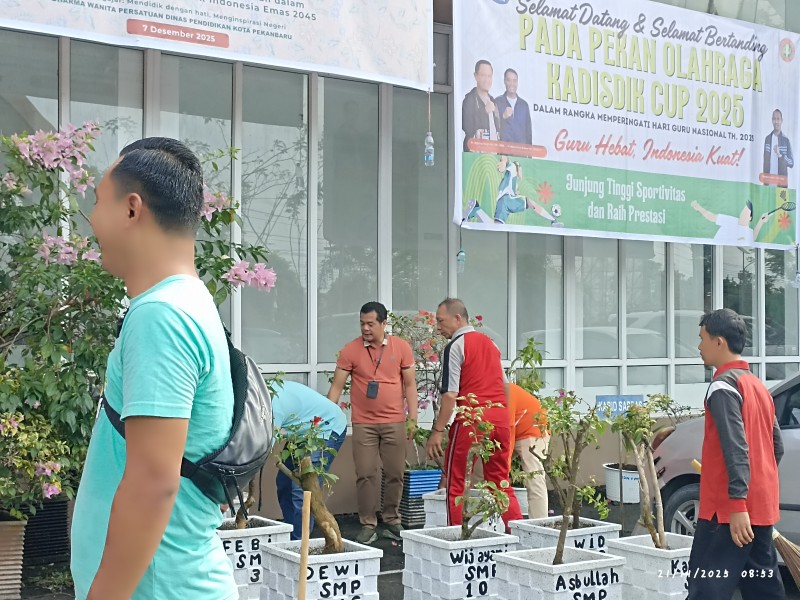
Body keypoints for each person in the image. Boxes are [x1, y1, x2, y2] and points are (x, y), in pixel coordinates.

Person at [70, 138, 237, 599]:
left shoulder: (162, 315)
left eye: (98, 203)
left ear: (131, 209)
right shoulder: (185, 302)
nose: (92, 220)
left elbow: (153, 484)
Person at [686, 308, 784, 600]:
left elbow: (735, 446)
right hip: (761, 508)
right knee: (763, 590)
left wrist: (738, 502)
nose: (699, 346)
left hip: (727, 512)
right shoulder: (757, 386)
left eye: (702, 338)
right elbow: (775, 446)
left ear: (719, 342)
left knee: (706, 588)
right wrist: (754, 491)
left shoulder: (722, 386)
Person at [426, 298, 523, 529]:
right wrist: (502, 417)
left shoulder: (456, 346)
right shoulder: (491, 344)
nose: (438, 327)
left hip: (471, 420)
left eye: (441, 321)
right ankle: (519, 534)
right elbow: (506, 386)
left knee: (456, 483)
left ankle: (457, 539)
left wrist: (437, 431)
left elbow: (450, 395)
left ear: (457, 318)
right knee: (500, 483)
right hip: (499, 419)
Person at [327, 301, 418, 544]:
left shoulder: (401, 348)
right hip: (364, 424)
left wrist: (413, 419)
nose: (365, 328)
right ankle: (368, 523)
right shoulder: (351, 350)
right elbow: (336, 387)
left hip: (395, 421)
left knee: (395, 473)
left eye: (370, 324)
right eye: (362, 324)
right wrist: (324, 416)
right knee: (365, 474)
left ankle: (391, 519)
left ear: (384, 324)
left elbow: (410, 384)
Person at [273, 381, 347, 541]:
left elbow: (260, 449)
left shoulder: (272, 405)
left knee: (301, 488)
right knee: (285, 481)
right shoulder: (262, 394)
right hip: (303, 432)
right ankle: (292, 532)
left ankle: (300, 542)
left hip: (327, 428)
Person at [464, 156, 556, 225]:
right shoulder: (513, 170)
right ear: (518, 167)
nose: (521, 171)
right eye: (520, 168)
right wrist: (504, 162)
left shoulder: (513, 180)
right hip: (507, 200)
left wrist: (516, 192)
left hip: (505, 203)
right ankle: (552, 220)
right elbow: (505, 159)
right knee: (530, 202)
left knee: (496, 227)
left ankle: (477, 210)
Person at [507, 383, 549, 519]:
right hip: (517, 428)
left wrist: (504, 465)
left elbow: (508, 430)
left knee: (534, 476)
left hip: (534, 430)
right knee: (484, 470)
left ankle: (540, 523)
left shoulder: (507, 391)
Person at [691, 199, 769, 245]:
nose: (743, 214)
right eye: (743, 211)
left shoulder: (749, 232)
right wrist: (698, 207)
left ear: (750, 217)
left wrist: (761, 221)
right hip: (715, 249)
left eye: (746, 212)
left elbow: (753, 237)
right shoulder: (731, 221)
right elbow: (713, 217)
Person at [462, 59, 501, 152]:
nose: (487, 80)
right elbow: (467, 127)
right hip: (476, 156)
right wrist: (484, 111)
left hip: (493, 156)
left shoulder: (493, 101)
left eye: (489, 76)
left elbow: (499, 129)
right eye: (483, 75)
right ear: (475, 76)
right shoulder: (469, 99)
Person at [495, 68, 532, 145]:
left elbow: (528, 133)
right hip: (503, 153)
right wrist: (502, 117)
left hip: (521, 153)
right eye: (509, 80)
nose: (512, 83)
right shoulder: (497, 102)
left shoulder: (524, 105)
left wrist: (529, 155)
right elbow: (492, 128)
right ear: (505, 81)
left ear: (517, 82)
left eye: (514, 80)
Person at [763, 109, 794, 182]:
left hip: (781, 183)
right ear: (772, 120)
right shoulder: (767, 139)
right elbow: (765, 161)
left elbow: (791, 163)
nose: (776, 121)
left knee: (781, 194)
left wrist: (780, 154)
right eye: (774, 119)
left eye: (778, 119)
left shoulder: (786, 140)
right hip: (768, 183)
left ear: (781, 121)